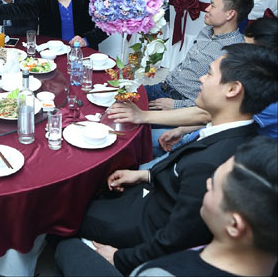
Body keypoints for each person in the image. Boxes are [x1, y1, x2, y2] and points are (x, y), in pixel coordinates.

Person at [71, 43, 277, 275]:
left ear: (232, 89)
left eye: (209, 73)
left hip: (142, 224)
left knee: (68, 216)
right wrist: (146, 174)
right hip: (150, 195)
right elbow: (183, 176)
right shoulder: (237, 132)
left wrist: (119, 258)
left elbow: (176, 240)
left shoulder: (212, 162)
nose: (201, 79)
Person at [55, 136, 278, 277]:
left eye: (213, 186)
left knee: (65, 243)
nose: (207, 184)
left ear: (234, 225)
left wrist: (119, 257)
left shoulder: (162, 272)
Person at [108, 18, 278, 155]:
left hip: (224, 149)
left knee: (128, 141)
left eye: (247, 46)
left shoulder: (266, 94)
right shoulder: (255, 75)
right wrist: (182, 129)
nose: (239, 50)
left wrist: (143, 116)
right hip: (204, 130)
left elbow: (206, 114)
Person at [146, 0, 252, 110]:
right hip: (163, 87)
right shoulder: (206, 31)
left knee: (129, 115)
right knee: (125, 95)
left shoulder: (234, 51)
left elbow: (219, 101)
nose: (206, 9)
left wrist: (176, 105)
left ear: (230, 14)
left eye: (212, 6)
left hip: (182, 104)